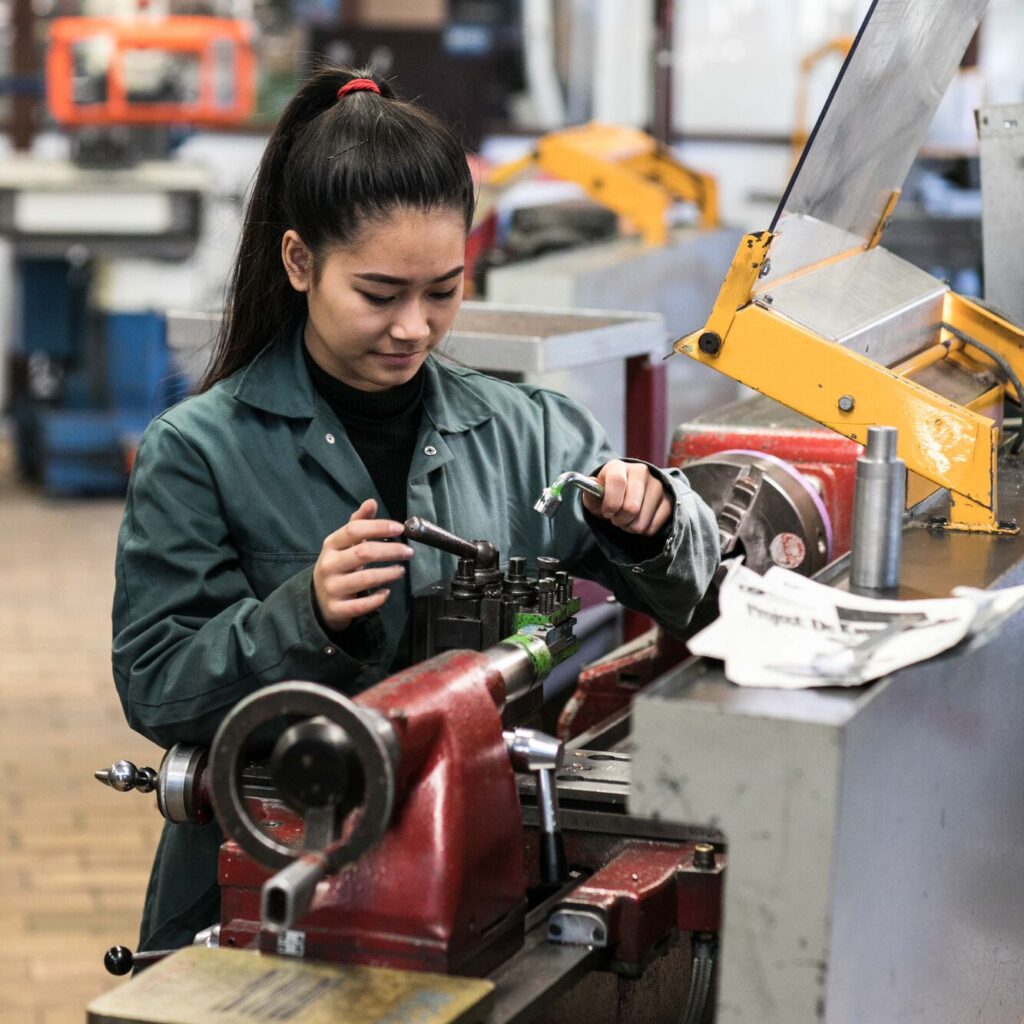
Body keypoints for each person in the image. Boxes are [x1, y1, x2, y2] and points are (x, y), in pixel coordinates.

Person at [112, 67, 720, 953]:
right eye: (380, 294)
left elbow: (707, 595)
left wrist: (660, 525)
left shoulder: (526, 431)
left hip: (476, 876)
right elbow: (158, 686)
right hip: (265, 885)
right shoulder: (199, 450)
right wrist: (306, 616)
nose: (415, 328)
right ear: (298, 263)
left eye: (443, 289)